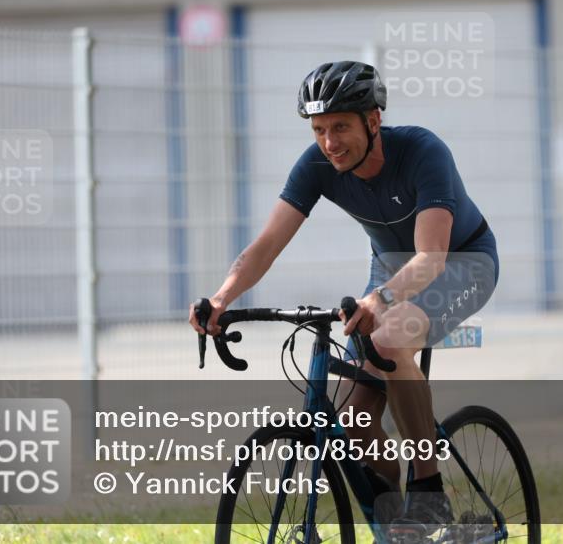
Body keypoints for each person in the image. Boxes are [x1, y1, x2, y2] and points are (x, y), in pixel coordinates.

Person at [189, 60, 498, 537]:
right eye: (318, 130)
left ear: (373, 122)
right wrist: (222, 298)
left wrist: (380, 300)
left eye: (340, 127)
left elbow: (432, 257)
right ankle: (399, 523)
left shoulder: (422, 150)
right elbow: (266, 245)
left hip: (461, 263)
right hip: (390, 270)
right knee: (353, 423)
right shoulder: (317, 165)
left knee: (391, 339)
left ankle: (429, 491)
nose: (329, 143)